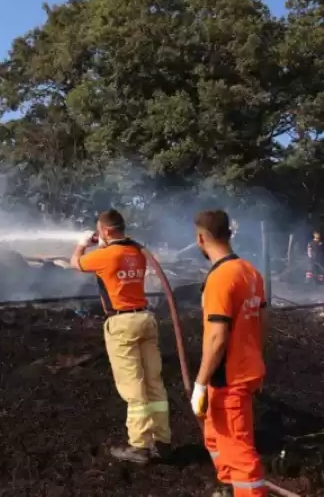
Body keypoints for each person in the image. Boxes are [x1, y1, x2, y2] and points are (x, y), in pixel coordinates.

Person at [70, 209, 171, 464]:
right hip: (146, 319)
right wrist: (104, 243)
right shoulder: (137, 253)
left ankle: (139, 446)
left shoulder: (105, 256)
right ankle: (162, 439)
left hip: (122, 324)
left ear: (104, 231)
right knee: (154, 382)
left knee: (133, 388)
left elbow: (76, 263)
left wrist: (83, 243)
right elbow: (120, 264)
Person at [191, 210, 267, 497]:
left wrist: (200, 382)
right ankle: (228, 488)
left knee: (239, 450)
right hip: (244, 369)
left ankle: (246, 491)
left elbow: (217, 336)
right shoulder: (251, 272)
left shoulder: (220, 278)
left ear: (201, 238)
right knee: (215, 437)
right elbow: (263, 322)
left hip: (230, 377)